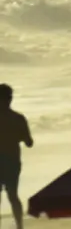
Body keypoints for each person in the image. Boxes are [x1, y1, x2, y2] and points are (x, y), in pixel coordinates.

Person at [0, 86, 29, 229]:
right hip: (12, 161)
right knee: (13, 196)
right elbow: (29, 142)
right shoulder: (18, 118)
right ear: (10, 99)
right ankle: (19, 226)